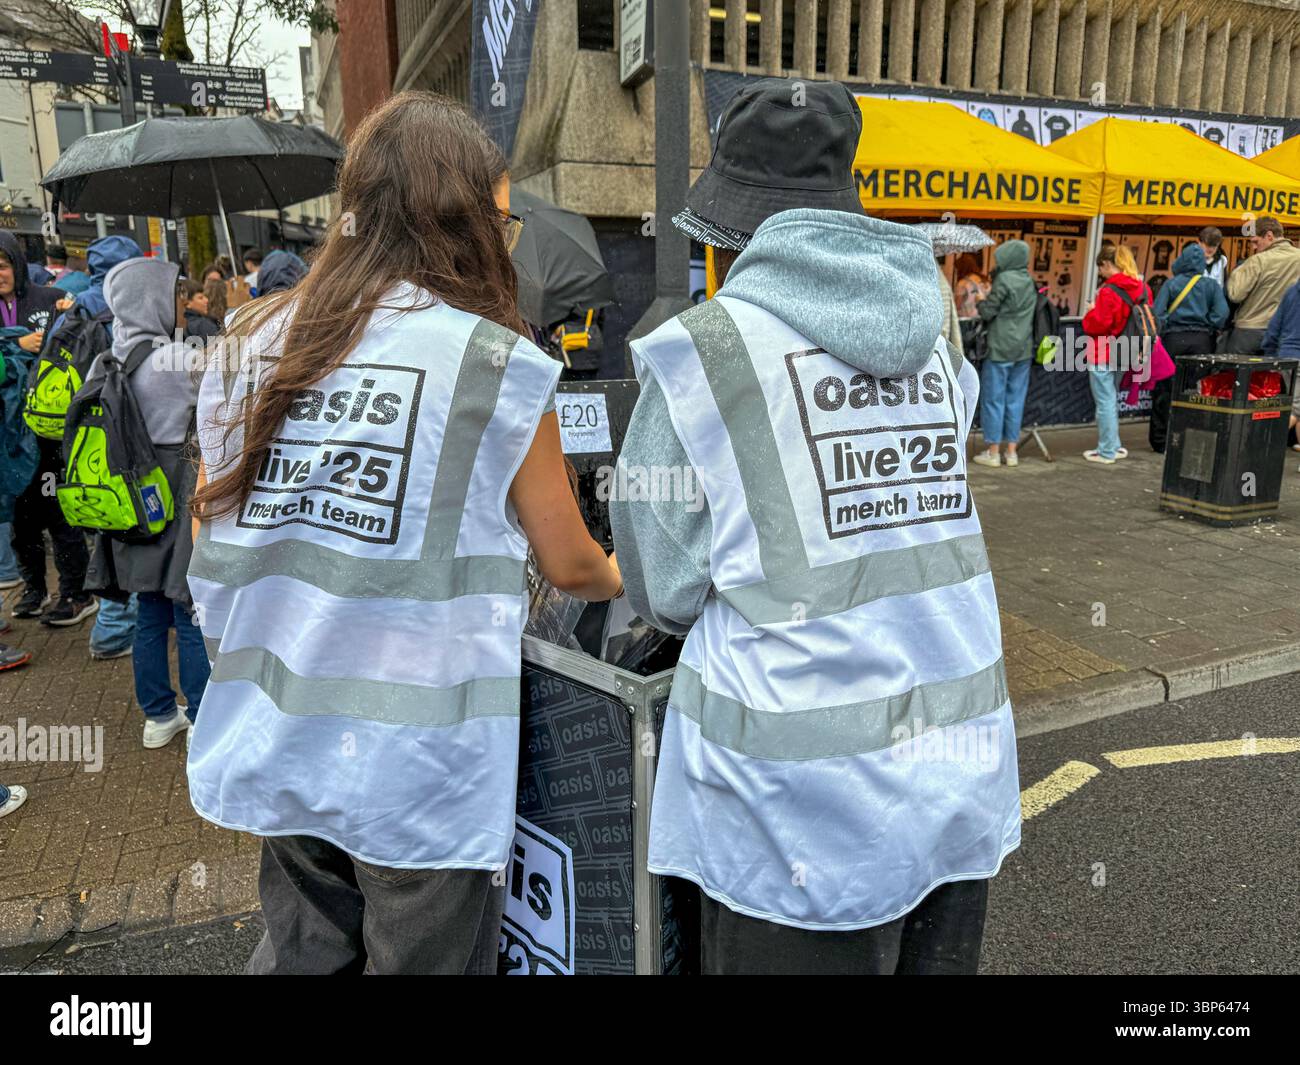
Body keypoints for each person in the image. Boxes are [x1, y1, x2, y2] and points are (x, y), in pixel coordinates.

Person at [186, 91, 621, 975]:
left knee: (306, 952)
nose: (505, 244)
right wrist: (629, 580)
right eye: (501, 222)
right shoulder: (497, 365)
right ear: (455, 221)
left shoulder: (247, 340)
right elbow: (572, 564)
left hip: (282, 723)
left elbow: (214, 536)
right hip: (419, 766)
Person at [609, 78, 1020, 975]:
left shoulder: (705, 351)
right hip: (951, 768)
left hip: (792, 816)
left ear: (739, 227)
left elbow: (664, 586)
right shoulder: (937, 335)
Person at [83, 257, 208, 749]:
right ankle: (201, 714)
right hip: (177, 490)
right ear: (153, 299)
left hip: (128, 500)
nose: (180, 304)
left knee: (149, 610)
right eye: (174, 295)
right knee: (189, 608)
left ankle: (158, 716)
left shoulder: (104, 360)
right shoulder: (178, 359)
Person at [47, 236, 144, 658]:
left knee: (106, 529)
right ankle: (117, 629)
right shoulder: (124, 306)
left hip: (79, 434)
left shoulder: (73, 304)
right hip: (121, 435)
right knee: (133, 528)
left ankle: (110, 626)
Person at [1, 231, 95, 626]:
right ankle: (35, 588)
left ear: (17, 265)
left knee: (59, 509)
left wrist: (68, 314)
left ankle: (75, 591)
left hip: (50, 431)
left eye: (4, 264)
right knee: (21, 518)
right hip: (10, 436)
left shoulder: (46, 298)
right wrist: (14, 345)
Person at [1150, 243, 1229, 453]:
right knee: (1197, 391)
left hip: (1173, 340)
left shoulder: (1171, 284)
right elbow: (1221, 314)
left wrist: (1169, 325)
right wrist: (1208, 326)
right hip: (1202, 341)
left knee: (1165, 390)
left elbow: (1158, 313)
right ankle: (1190, 438)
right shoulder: (1211, 286)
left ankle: (1161, 440)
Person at [1082, 244, 1150, 464]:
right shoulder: (1142, 288)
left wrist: (1090, 312)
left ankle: (1107, 450)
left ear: (1107, 264)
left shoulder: (1109, 291)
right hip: (1127, 350)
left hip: (1103, 351)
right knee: (1111, 400)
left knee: (1105, 402)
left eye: (1100, 268)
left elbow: (1098, 325)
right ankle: (1115, 445)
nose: (1100, 273)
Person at [973, 239, 1036, 468]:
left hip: (1000, 348)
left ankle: (992, 451)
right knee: (1015, 400)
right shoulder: (1029, 280)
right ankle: (1011, 452)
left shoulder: (1003, 280)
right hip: (1023, 349)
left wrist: (981, 300)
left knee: (994, 399)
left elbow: (989, 312)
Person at [1224, 217, 1300, 354]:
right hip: (1285, 331)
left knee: (1237, 375)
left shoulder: (1257, 261)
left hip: (1249, 331)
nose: (1253, 247)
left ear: (1269, 236)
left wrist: (1236, 272)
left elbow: (1236, 294)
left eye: (1255, 241)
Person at [179, 278, 221, 342]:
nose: (206, 300)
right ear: (187, 304)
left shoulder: (176, 325)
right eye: (200, 298)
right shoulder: (204, 325)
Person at [953, 252, 989, 317]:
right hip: (982, 321)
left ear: (962, 268)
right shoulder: (985, 281)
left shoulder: (963, 283)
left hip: (967, 322)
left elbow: (956, 307)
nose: (957, 273)